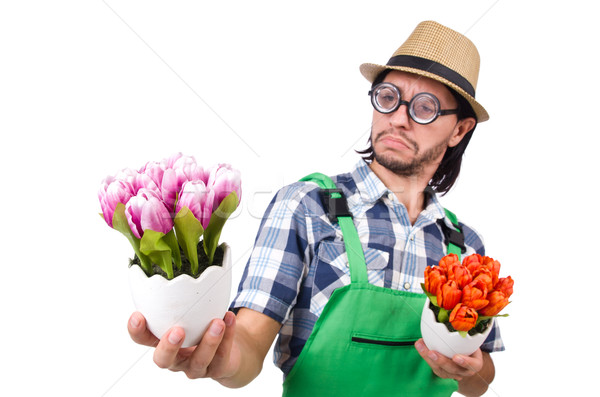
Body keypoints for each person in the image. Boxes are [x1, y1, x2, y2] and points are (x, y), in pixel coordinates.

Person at [128, 21, 504, 396]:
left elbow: (480, 378)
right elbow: (247, 345)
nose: (398, 118)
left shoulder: (465, 248)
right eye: (388, 97)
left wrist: (470, 372)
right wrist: (215, 355)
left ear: (459, 130)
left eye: (425, 108)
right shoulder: (307, 206)